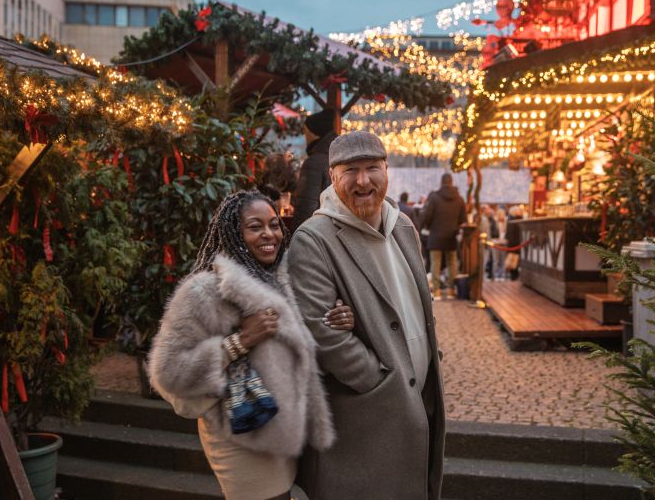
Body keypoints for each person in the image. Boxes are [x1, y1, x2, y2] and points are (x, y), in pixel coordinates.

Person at [148, 190, 354, 500]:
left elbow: (298, 339)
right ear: (233, 232)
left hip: (282, 430)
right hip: (239, 434)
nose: (269, 234)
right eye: (255, 227)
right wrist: (239, 342)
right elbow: (168, 371)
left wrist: (337, 320)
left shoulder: (282, 277)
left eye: (274, 224)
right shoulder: (205, 291)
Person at [289, 131, 445, 500]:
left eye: (372, 168)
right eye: (350, 170)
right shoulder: (314, 239)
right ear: (332, 176)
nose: (363, 181)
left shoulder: (404, 227)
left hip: (420, 401)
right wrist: (379, 381)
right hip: (363, 416)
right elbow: (322, 333)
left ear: (386, 170)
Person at [420, 173, 467, 298]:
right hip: (452, 237)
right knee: (452, 263)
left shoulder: (434, 197)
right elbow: (463, 219)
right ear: (452, 182)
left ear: (441, 182)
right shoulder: (459, 199)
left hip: (435, 236)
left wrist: (429, 226)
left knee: (435, 264)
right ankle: (451, 290)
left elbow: (427, 216)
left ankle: (437, 291)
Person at [293, 109, 336, 229]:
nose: (305, 136)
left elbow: (305, 207)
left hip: (316, 231)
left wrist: (297, 235)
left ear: (314, 133)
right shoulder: (339, 157)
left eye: (305, 131)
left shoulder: (313, 163)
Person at [505, 205, 524, 281]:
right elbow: (511, 234)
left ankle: (515, 277)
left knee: (515, 262)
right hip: (515, 245)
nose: (520, 211)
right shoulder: (513, 221)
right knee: (513, 262)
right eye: (519, 210)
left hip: (516, 244)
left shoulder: (513, 220)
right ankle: (514, 277)